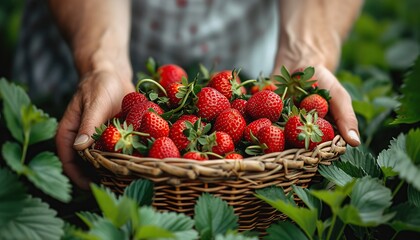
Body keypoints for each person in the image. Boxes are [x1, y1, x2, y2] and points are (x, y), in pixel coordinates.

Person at [14, 0, 362, 190]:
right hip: (80, 42)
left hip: (257, 60)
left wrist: (307, 55)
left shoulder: (245, 107)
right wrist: (101, 61)